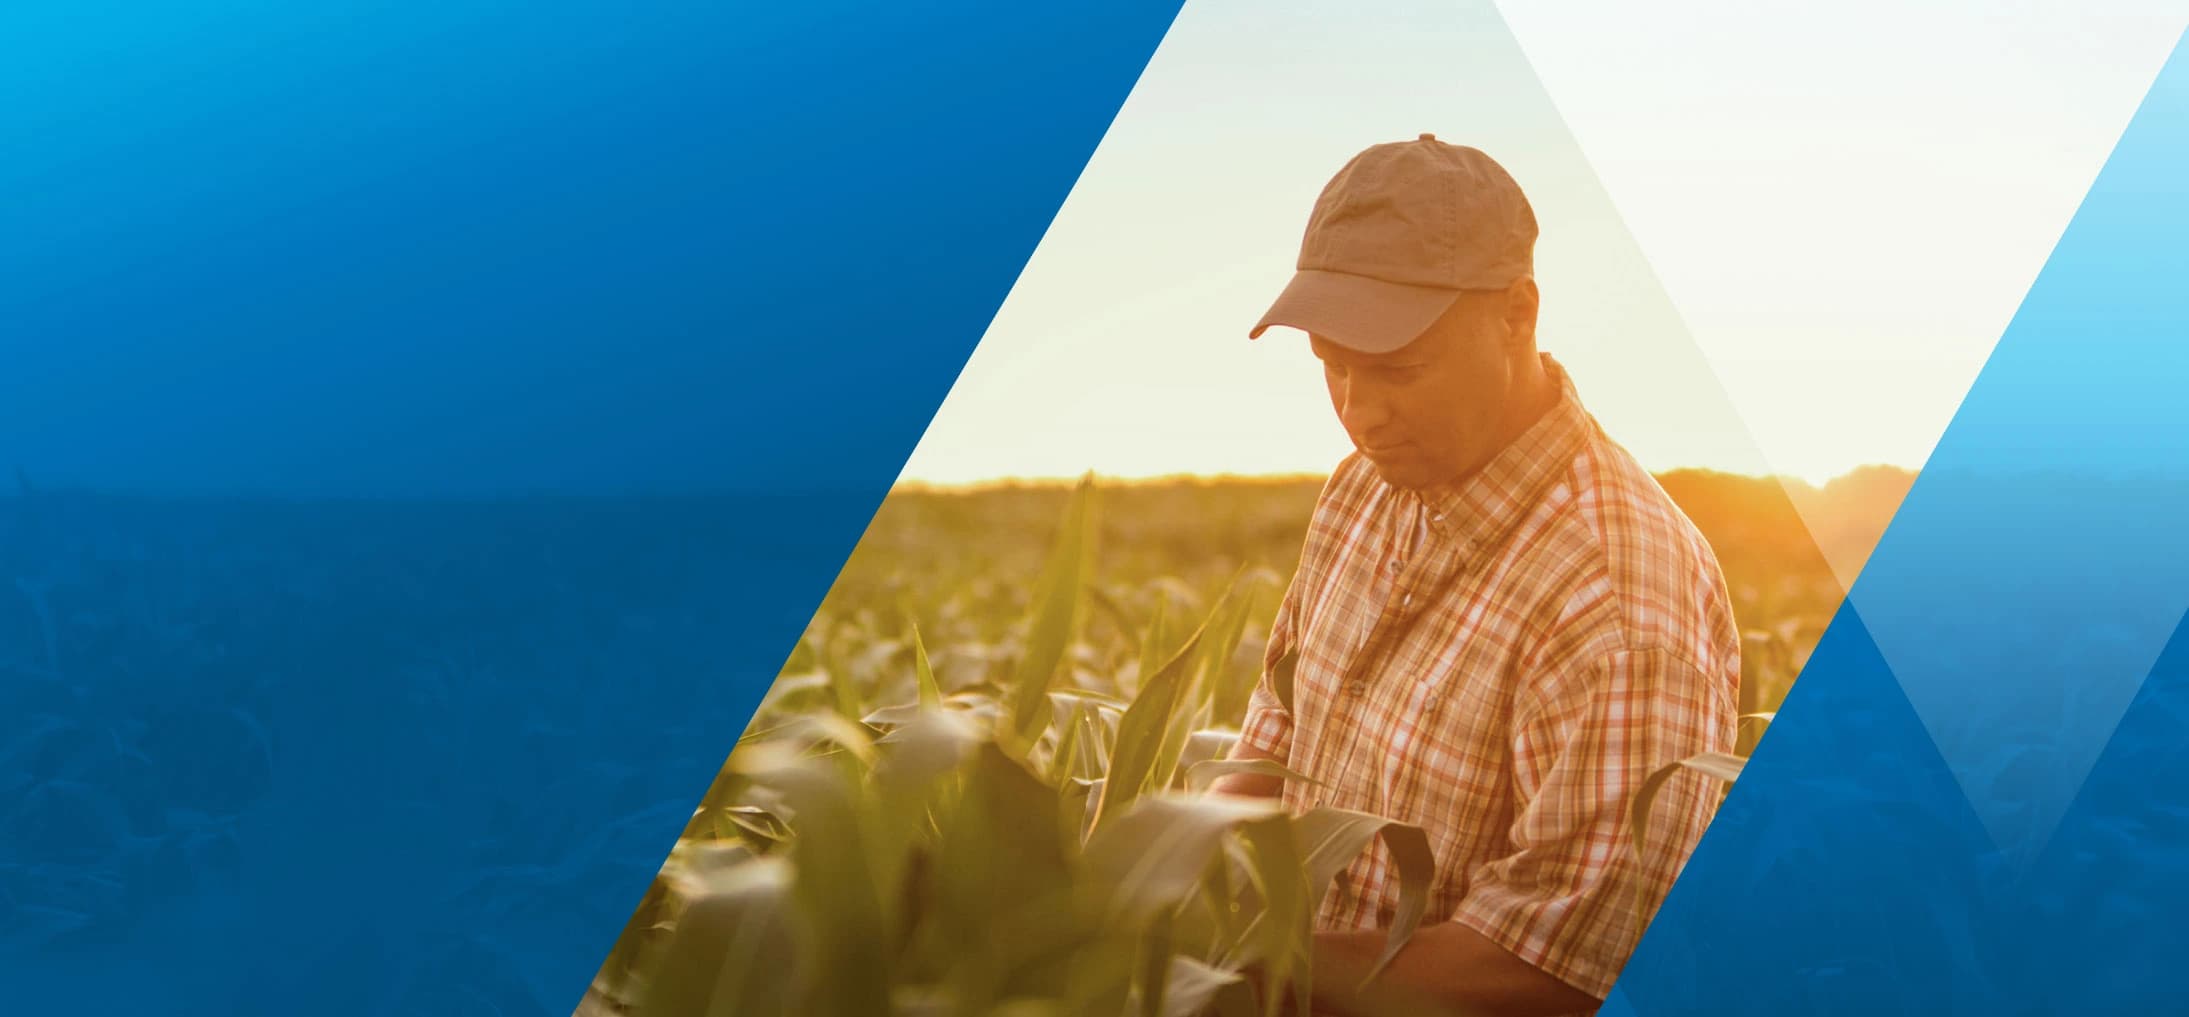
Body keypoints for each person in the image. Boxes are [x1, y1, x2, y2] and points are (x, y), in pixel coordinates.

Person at [1211, 134, 1740, 1017]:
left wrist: (1243, 963)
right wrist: (1161, 882)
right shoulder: (1362, 492)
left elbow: (1555, 972)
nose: (1359, 412)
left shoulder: (1615, 604)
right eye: (1331, 369)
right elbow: (1276, 734)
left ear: (1516, 315)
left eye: (1397, 370)